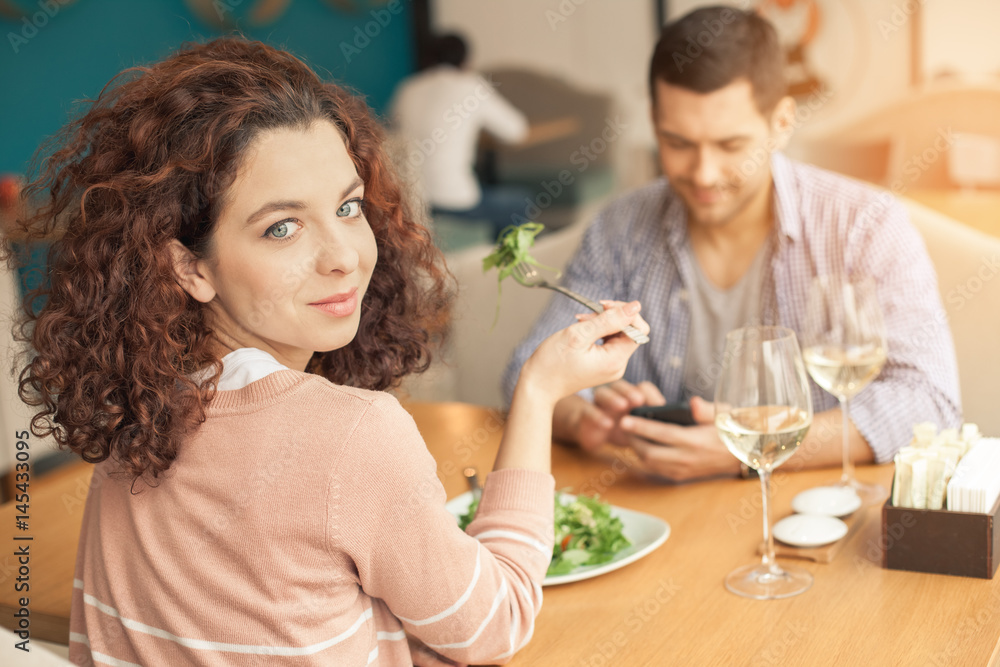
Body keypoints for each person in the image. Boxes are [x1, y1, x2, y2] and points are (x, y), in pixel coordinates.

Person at [5, 38, 648, 666]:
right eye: (281, 228)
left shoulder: (138, 409)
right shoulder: (354, 437)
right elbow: (495, 623)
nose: (343, 256)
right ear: (188, 267)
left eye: (347, 206)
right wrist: (538, 392)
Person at [502, 6, 961, 482]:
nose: (703, 174)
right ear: (655, 122)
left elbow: (929, 400)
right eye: (677, 143)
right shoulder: (620, 228)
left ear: (782, 122)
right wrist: (586, 418)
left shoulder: (864, 226)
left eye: (730, 146)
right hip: (662, 516)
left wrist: (749, 446)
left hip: (810, 517)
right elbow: (524, 372)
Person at [389, 33, 578, 239]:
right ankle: (508, 259)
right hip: (454, 201)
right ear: (466, 61)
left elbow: (392, 135)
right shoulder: (470, 86)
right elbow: (517, 132)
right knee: (521, 200)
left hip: (414, 201)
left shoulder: (407, 88)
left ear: (429, 59)